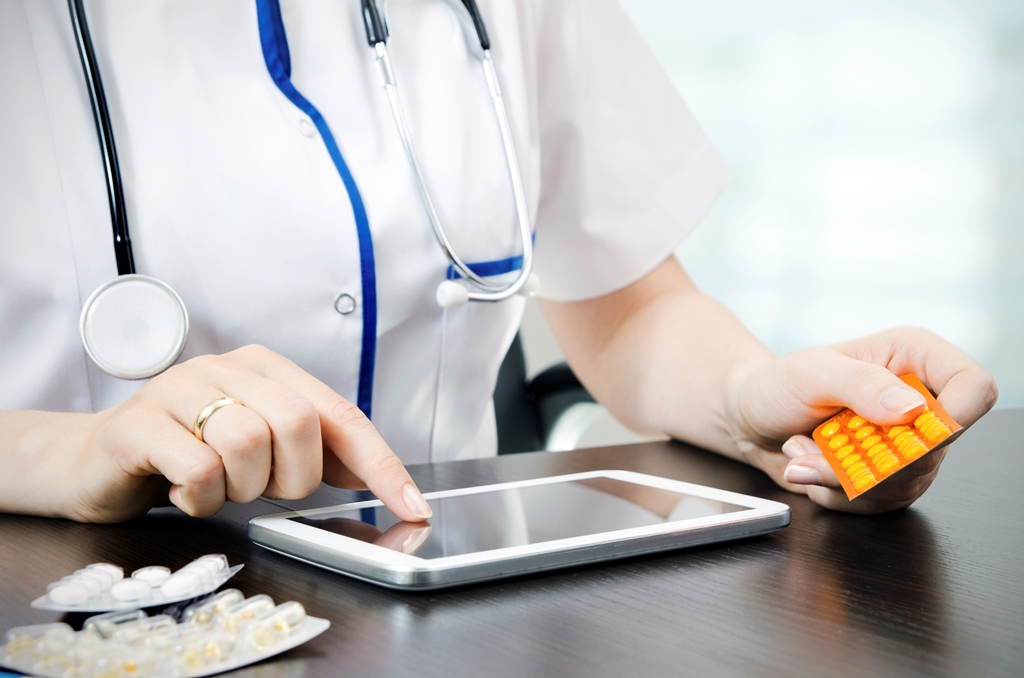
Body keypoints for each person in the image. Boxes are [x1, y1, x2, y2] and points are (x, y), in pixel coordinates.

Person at [0, 0, 996, 524]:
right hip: (65, 618)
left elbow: (629, 300)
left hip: (445, 610)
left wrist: (747, 392)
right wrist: (68, 454)